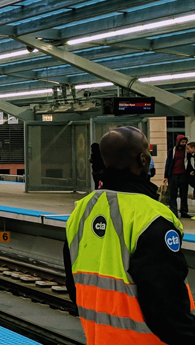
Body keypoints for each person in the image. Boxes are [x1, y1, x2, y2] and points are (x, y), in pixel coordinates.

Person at [63, 126, 195, 344]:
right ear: (142, 159)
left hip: (99, 338)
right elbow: (166, 311)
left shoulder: (81, 211)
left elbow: (73, 285)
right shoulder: (152, 217)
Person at [164, 135, 190, 218]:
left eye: (185, 142)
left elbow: (189, 163)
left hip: (183, 174)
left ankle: (184, 211)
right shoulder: (172, 151)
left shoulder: (186, 151)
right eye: (182, 142)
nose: (184, 144)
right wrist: (166, 176)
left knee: (184, 193)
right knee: (173, 194)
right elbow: (168, 163)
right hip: (173, 175)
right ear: (178, 142)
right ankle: (174, 211)